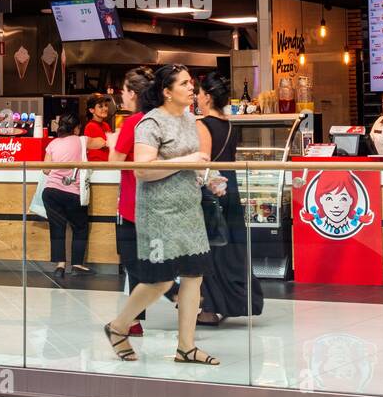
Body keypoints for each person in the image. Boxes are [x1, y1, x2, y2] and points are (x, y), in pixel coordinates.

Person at [103, 64, 223, 365]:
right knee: (161, 281)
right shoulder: (149, 123)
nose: (191, 88)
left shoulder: (188, 119)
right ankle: (118, 327)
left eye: (191, 83)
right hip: (159, 213)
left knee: (194, 276)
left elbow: (196, 161)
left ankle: (186, 347)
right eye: (183, 84)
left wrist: (210, 176)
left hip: (188, 210)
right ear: (166, 92)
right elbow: (142, 170)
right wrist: (187, 161)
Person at [194, 73, 264, 325]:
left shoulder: (202, 124)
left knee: (210, 250)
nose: (196, 97)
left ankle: (210, 309)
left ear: (208, 97)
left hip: (212, 191)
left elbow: (204, 162)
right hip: (231, 188)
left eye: (199, 93)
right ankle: (231, 302)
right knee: (231, 249)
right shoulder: (231, 124)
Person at [109, 67, 154, 336]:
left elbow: (115, 162)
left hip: (133, 203)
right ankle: (133, 321)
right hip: (162, 202)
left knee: (134, 261)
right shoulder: (162, 118)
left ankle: (172, 295)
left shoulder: (133, 123)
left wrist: (112, 142)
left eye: (123, 91)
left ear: (134, 93)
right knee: (150, 259)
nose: (120, 96)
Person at [40, 112, 92, 280]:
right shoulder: (82, 140)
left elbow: (46, 169)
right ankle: (76, 264)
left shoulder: (53, 143)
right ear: (76, 128)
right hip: (72, 192)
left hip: (50, 193)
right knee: (80, 227)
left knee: (57, 228)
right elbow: (101, 143)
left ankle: (60, 266)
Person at [83, 94, 113, 162]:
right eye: (100, 106)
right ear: (91, 110)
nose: (105, 109)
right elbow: (108, 143)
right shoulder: (90, 126)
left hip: (107, 166)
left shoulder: (106, 125)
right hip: (97, 167)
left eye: (106, 105)